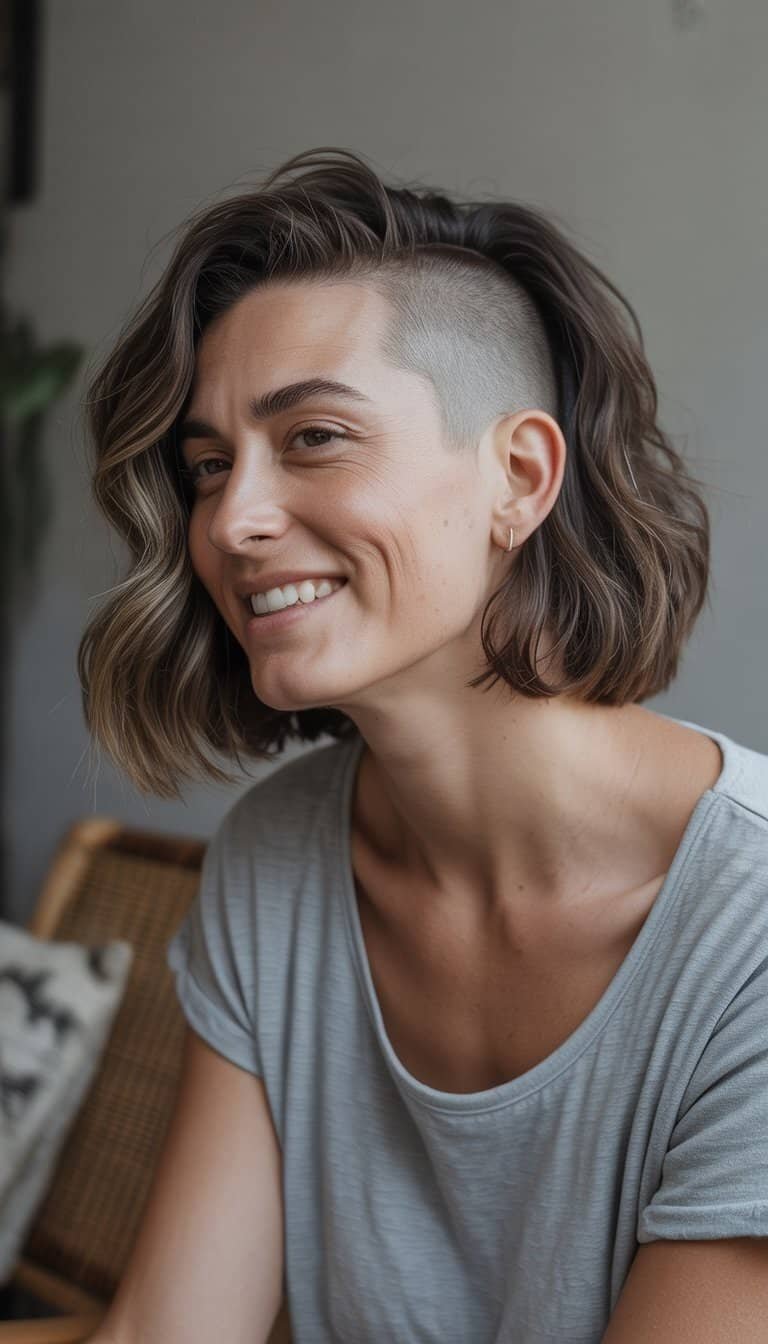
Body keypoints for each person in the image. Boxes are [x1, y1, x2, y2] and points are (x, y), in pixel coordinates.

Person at [77, 147, 768, 1344]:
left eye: (315, 438)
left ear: (519, 476)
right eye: (206, 466)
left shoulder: (747, 935)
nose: (232, 521)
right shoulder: (277, 857)